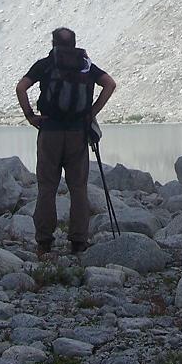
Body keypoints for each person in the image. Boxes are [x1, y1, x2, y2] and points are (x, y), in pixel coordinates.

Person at [16, 27, 116, 255]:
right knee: (78, 188)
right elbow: (110, 84)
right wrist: (91, 112)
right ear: (74, 43)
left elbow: (21, 87)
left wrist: (31, 116)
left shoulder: (46, 63)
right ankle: (78, 241)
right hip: (77, 134)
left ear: (53, 43)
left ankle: (44, 241)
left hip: (49, 131)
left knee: (47, 187)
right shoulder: (86, 65)